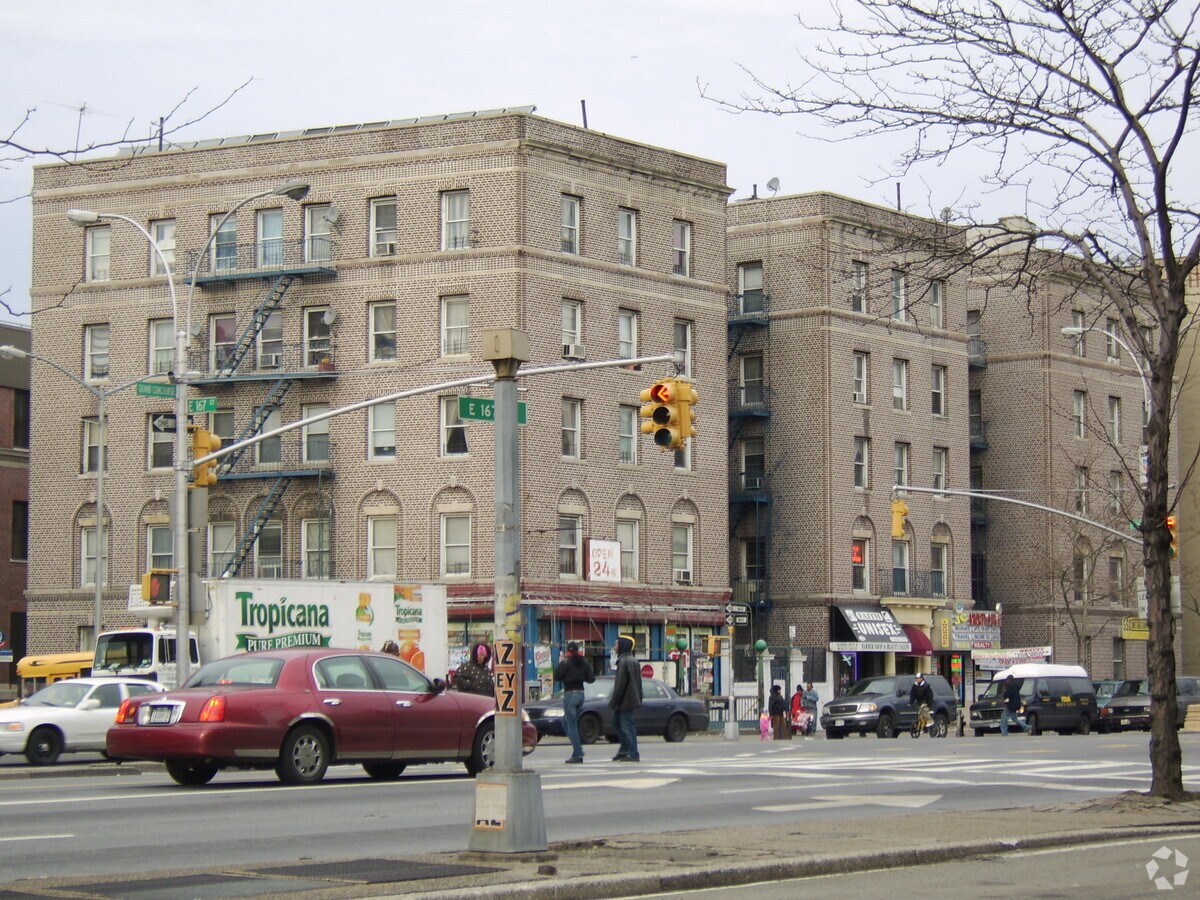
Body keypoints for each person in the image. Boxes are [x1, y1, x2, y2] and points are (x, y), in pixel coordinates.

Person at [554, 641, 595, 763]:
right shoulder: (584, 662)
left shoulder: (566, 662)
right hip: (581, 694)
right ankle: (577, 748)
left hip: (570, 694)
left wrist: (561, 662)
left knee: (571, 724)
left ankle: (578, 752)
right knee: (565, 722)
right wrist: (581, 676)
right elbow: (591, 679)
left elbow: (557, 676)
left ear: (568, 650)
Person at [609, 634, 643, 761]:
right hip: (630, 698)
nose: (615, 646)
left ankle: (632, 753)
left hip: (625, 700)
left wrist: (614, 701)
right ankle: (625, 750)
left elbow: (620, 685)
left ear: (622, 646)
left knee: (627, 727)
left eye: (616, 644)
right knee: (617, 723)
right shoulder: (632, 660)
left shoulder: (624, 662)